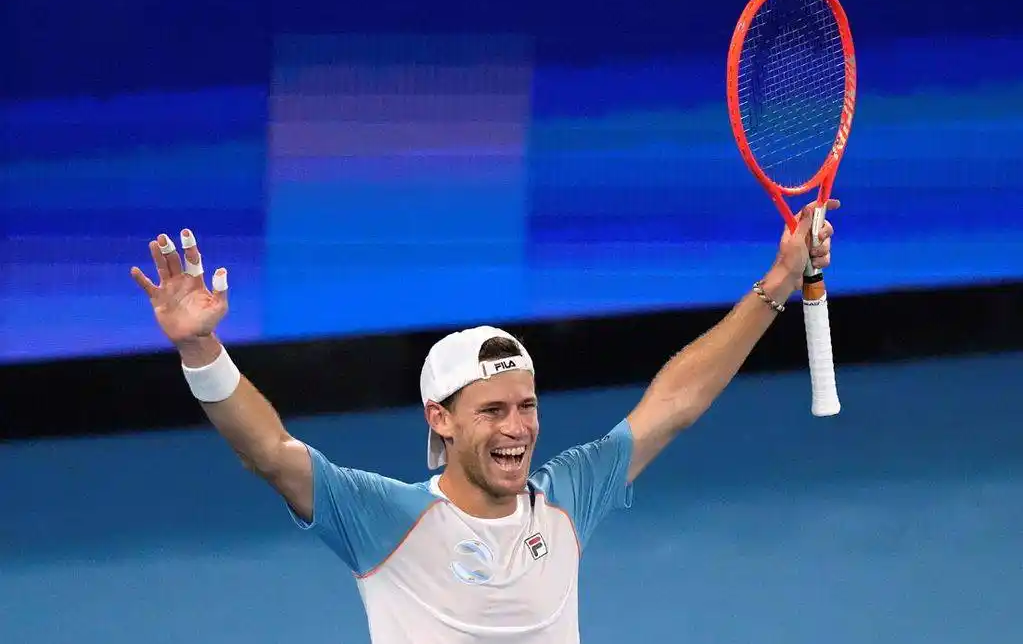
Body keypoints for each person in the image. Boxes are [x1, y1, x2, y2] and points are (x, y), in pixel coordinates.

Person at [130, 199, 838, 643]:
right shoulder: (382, 517)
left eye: (526, 406)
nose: (517, 428)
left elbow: (674, 404)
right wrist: (201, 348)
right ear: (440, 419)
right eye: (492, 410)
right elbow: (269, 451)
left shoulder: (566, 497)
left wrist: (775, 285)